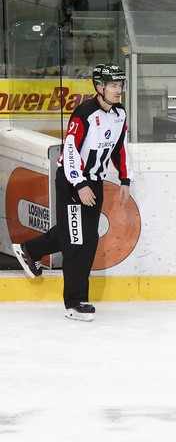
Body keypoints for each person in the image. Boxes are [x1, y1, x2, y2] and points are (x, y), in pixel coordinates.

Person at [11, 63, 133, 322]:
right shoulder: (84, 114)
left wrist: (125, 178)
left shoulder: (119, 114)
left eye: (120, 85)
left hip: (94, 183)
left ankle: (31, 250)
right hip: (71, 182)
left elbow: (119, 147)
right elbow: (69, 151)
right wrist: (79, 185)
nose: (118, 90)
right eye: (113, 85)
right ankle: (76, 302)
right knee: (78, 241)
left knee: (80, 235)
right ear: (99, 87)